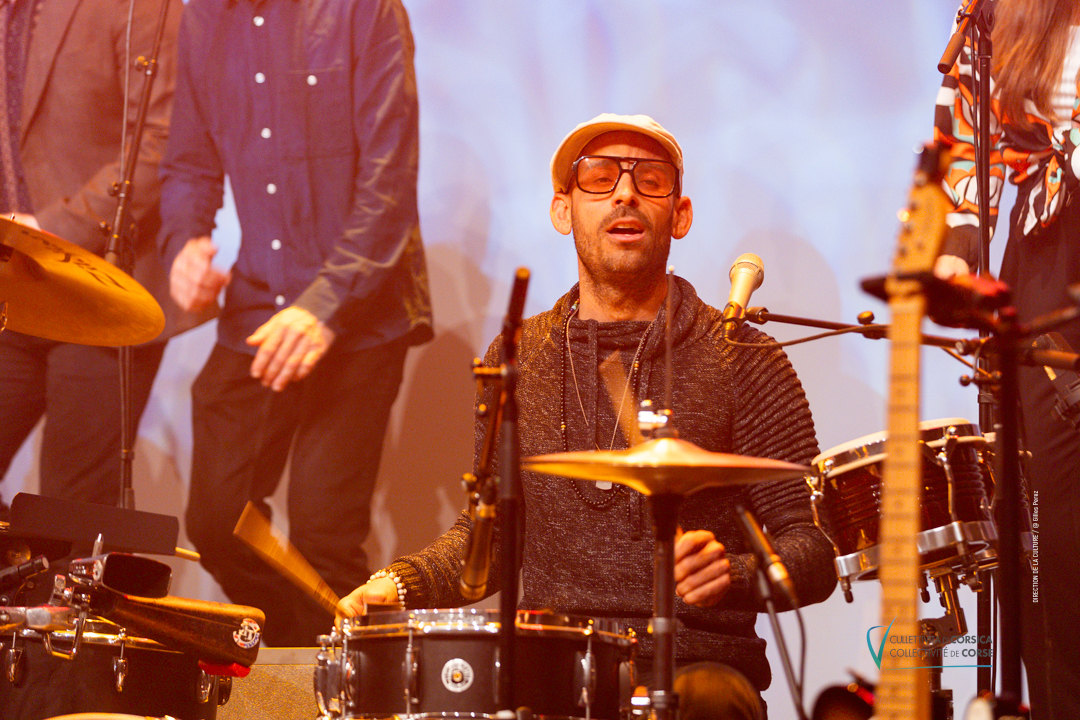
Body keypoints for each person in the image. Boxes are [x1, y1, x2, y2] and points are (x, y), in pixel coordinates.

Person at [339, 114, 837, 718]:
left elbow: (813, 548)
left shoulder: (741, 355)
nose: (625, 193)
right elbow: (491, 539)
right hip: (552, 670)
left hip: (697, 670)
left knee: (709, 701)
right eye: (599, 177)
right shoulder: (517, 356)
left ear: (679, 215)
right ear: (562, 210)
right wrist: (400, 584)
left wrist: (734, 572)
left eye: (649, 179)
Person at [158, 0, 433, 646]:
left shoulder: (364, 9)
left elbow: (390, 181)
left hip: (362, 311)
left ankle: (333, 682)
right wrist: (184, 244)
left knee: (323, 537)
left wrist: (324, 306)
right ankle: (305, 657)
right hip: (260, 302)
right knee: (216, 521)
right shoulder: (204, 18)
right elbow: (189, 163)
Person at [933, 2, 1080, 717]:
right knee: (1055, 546)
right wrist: (956, 257)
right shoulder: (997, 16)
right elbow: (964, 145)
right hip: (1050, 255)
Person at [0, 0, 202, 514]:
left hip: (103, 291)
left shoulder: (138, 7)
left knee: (69, 515)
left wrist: (52, 229)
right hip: (12, 290)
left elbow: (164, 139)